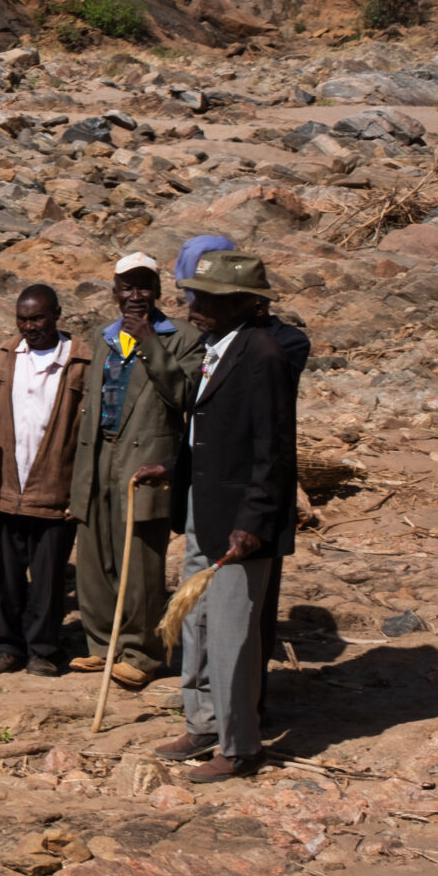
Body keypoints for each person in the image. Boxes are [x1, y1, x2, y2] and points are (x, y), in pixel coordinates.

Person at [159, 249, 291, 781]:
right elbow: (210, 434)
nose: (195, 306)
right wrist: (171, 468)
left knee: (234, 635)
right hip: (204, 509)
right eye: (195, 295)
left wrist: (254, 521)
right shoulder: (217, 347)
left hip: (240, 522)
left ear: (242, 303)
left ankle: (241, 745)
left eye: (209, 299)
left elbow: (274, 448)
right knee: (198, 622)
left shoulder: (262, 355)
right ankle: (204, 721)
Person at [70, 253, 198, 687]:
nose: (135, 297)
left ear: (158, 293)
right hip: (99, 455)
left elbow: (185, 396)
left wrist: (150, 344)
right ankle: (102, 644)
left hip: (144, 460)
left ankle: (141, 653)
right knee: (95, 555)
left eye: (144, 287)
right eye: (127, 287)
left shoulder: (180, 337)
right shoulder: (102, 337)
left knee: (140, 561)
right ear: (114, 293)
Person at [0, 284, 89, 676]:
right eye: (22, 319)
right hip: (7, 486)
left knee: (49, 576)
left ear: (57, 313)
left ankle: (43, 648)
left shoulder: (81, 362)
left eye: (37, 318)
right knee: (4, 573)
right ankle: (7, 645)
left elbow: (88, 429)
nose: (29, 326)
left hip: (56, 487)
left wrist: (82, 490)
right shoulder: (4, 358)